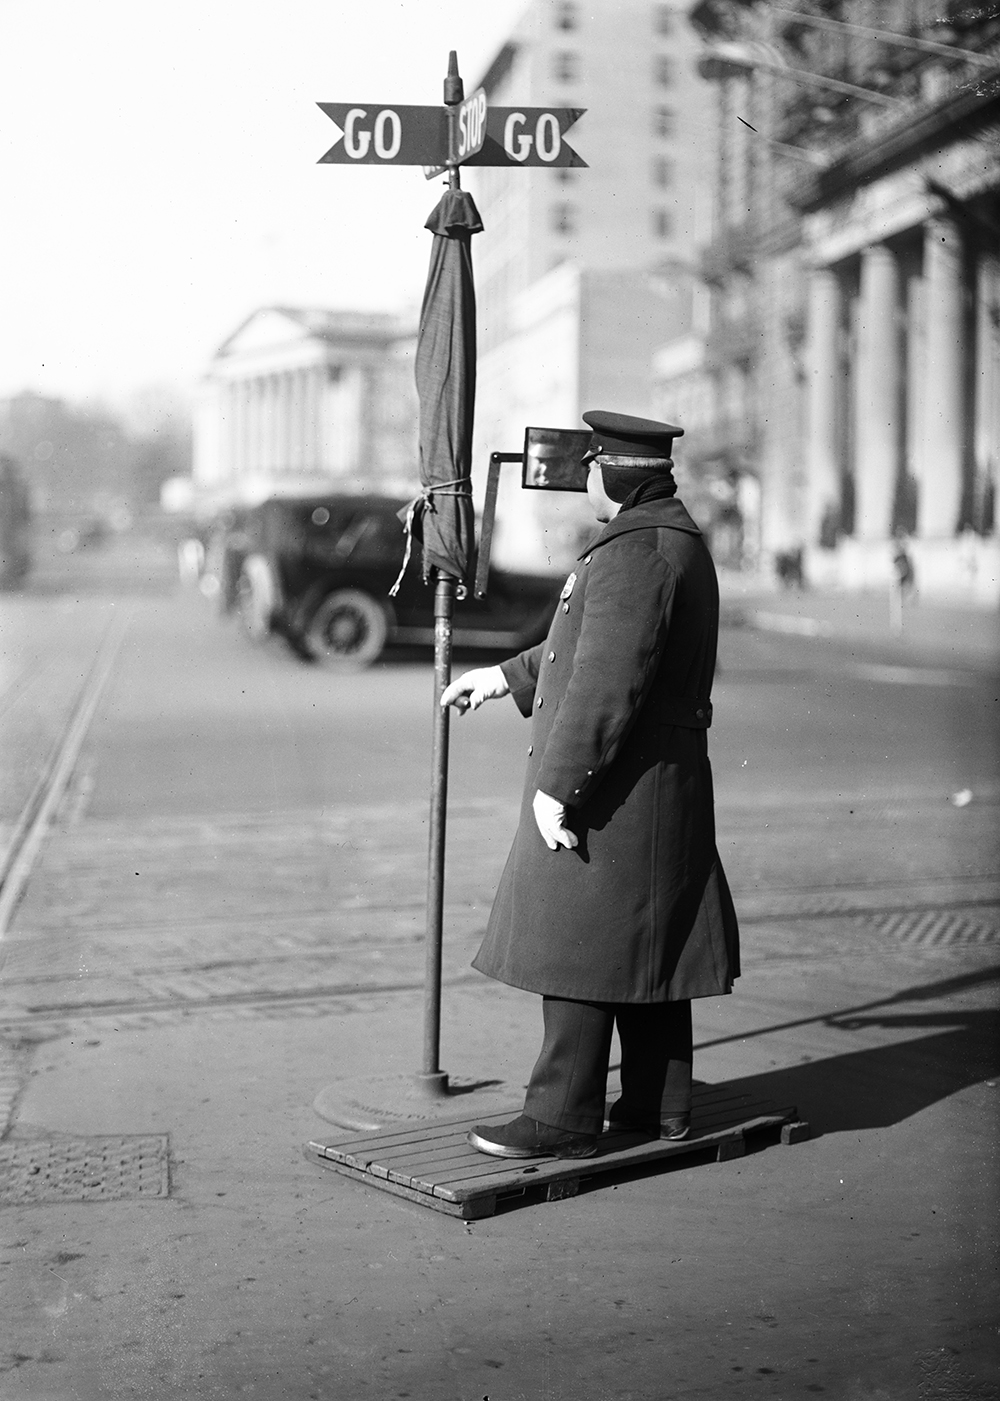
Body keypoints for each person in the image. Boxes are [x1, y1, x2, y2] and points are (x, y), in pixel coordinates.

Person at [441, 410, 740, 1160]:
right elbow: (578, 646)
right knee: (649, 947)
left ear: (617, 474)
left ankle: (562, 1117)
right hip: (654, 788)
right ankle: (656, 1105)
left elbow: (608, 682)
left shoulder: (638, 553)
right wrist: (503, 676)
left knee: (576, 941)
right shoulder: (666, 542)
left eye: (594, 471)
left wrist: (558, 786)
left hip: (617, 788)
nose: (586, 489)